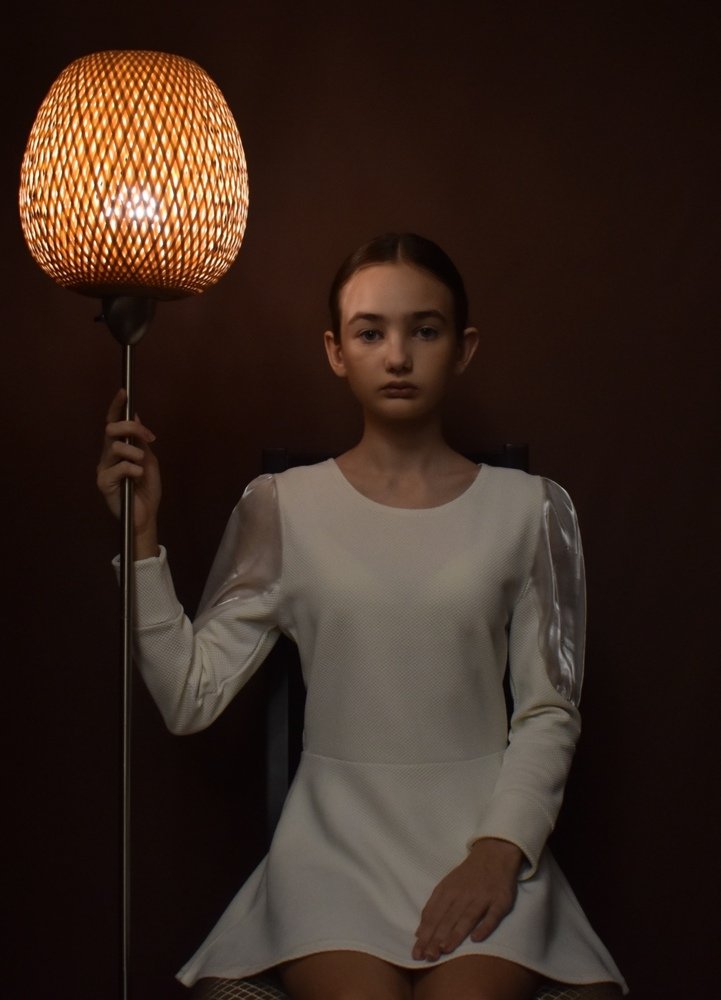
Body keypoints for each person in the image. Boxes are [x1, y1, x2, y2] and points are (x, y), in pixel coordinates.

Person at [97, 233, 627, 1000]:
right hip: (332, 849)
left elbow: (548, 710)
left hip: (482, 834)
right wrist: (141, 537)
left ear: (463, 347)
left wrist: (498, 850)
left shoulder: (530, 508)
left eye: (425, 330)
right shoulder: (281, 507)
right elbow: (189, 697)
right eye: (370, 333)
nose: (398, 356)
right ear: (335, 351)